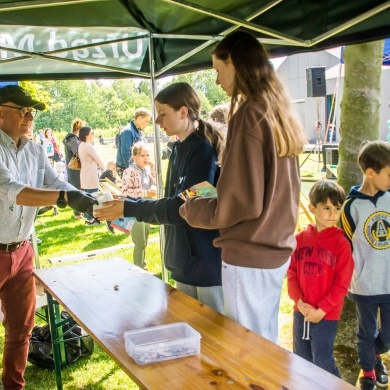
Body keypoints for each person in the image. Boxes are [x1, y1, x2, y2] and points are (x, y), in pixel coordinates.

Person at [179, 30, 307, 343]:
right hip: (273, 248)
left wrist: (193, 209)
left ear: (235, 64)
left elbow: (240, 203)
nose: (217, 80)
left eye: (218, 70)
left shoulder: (249, 113)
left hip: (250, 253)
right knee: (264, 345)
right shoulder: (274, 109)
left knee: (247, 350)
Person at [94, 82, 225, 313]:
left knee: (212, 336)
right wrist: (128, 203)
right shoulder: (179, 149)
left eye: (163, 114)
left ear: (184, 112)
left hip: (205, 265)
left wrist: (128, 208)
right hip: (184, 260)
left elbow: (183, 207)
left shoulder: (204, 150)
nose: (157, 121)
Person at [0, 85, 97, 390]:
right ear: (1, 112)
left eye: (33, 112)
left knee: (21, 329)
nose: (30, 117)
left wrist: (87, 199)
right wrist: (64, 200)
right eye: (23, 110)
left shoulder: (32, 148)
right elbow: (10, 190)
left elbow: (54, 181)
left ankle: (14, 386)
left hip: (22, 249)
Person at [287, 180, 353, 376]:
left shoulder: (341, 244)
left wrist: (322, 310)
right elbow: (291, 274)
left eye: (337, 208)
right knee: (301, 359)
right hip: (302, 313)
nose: (333, 214)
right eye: (326, 208)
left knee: (322, 363)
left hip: (326, 316)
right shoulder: (299, 240)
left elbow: (342, 285)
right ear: (312, 208)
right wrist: (299, 302)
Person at [340, 140, 390, 390]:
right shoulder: (351, 206)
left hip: (389, 281)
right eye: (389, 173)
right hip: (365, 285)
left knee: (387, 336)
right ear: (371, 172)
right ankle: (368, 373)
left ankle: (374, 355)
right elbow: (346, 247)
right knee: (365, 332)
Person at [122, 142, 157, 269]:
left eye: (148, 155)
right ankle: (138, 268)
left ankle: (143, 265)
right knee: (140, 242)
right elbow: (125, 192)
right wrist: (145, 192)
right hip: (136, 207)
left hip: (147, 206)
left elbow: (157, 182)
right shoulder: (129, 171)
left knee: (145, 239)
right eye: (143, 155)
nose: (146, 158)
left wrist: (152, 168)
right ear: (134, 157)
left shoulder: (146, 170)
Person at [78, 126, 106, 225]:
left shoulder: (82, 145)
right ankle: (91, 219)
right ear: (86, 135)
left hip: (86, 173)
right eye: (92, 133)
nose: (93, 134)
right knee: (92, 197)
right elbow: (98, 159)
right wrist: (106, 169)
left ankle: (89, 217)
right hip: (90, 174)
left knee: (87, 196)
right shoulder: (87, 146)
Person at [116, 108, 152, 179]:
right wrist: (132, 172)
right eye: (146, 121)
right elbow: (126, 153)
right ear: (139, 118)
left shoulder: (137, 131)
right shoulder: (127, 131)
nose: (147, 124)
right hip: (126, 167)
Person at [63, 118, 85, 219]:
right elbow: (78, 152)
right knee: (77, 189)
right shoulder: (72, 139)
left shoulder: (73, 139)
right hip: (75, 170)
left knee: (78, 188)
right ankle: (77, 213)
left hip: (75, 170)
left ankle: (80, 211)